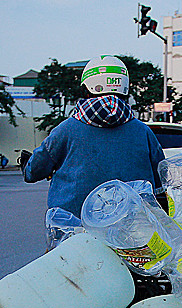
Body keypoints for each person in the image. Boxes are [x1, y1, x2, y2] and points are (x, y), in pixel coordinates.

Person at [22, 55, 164, 217]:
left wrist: (27, 167)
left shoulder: (66, 130)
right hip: (131, 229)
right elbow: (161, 180)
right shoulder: (143, 132)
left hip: (75, 226)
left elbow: (34, 170)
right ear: (124, 88)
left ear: (85, 89)